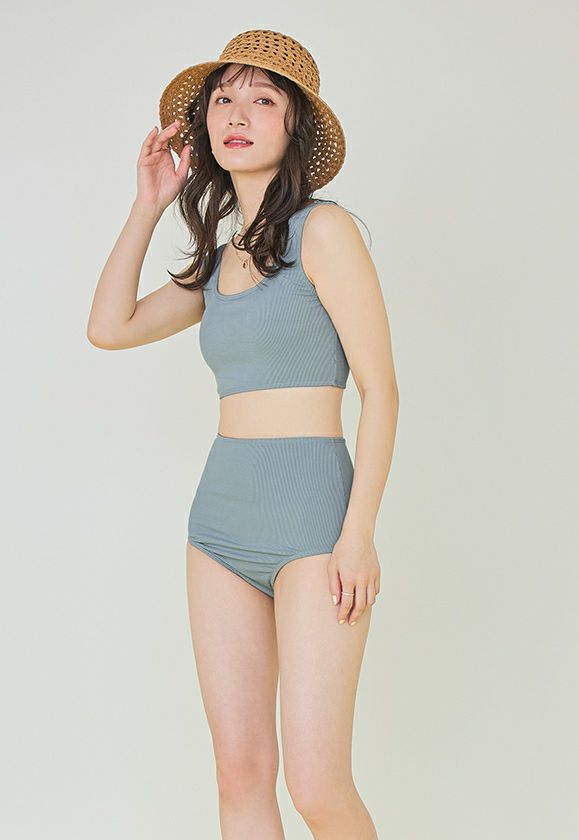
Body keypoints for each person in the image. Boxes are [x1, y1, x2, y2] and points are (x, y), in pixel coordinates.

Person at [87, 29, 398, 839]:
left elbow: (382, 391)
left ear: (294, 127)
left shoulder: (325, 231)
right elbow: (109, 328)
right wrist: (149, 204)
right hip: (219, 526)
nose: (237, 113)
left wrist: (358, 532)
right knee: (240, 776)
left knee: (318, 786)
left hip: (315, 525)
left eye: (263, 99)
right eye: (224, 97)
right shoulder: (218, 261)